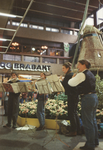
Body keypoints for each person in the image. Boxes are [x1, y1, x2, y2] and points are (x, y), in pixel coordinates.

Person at [68, 59, 99, 150]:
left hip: (87, 98)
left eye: (79, 65)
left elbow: (71, 83)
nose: (77, 67)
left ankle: (90, 144)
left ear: (84, 65)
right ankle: (94, 141)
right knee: (92, 121)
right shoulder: (91, 74)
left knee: (87, 122)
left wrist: (73, 77)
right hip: (93, 97)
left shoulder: (82, 74)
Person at [61, 62, 81, 136]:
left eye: (63, 68)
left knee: (71, 113)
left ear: (67, 68)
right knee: (75, 113)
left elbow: (64, 86)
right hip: (75, 95)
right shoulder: (72, 74)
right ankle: (78, 130)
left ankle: (73, 131)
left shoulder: (68, 75)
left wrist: (61, 81)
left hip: (72, 95)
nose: (62, 70)